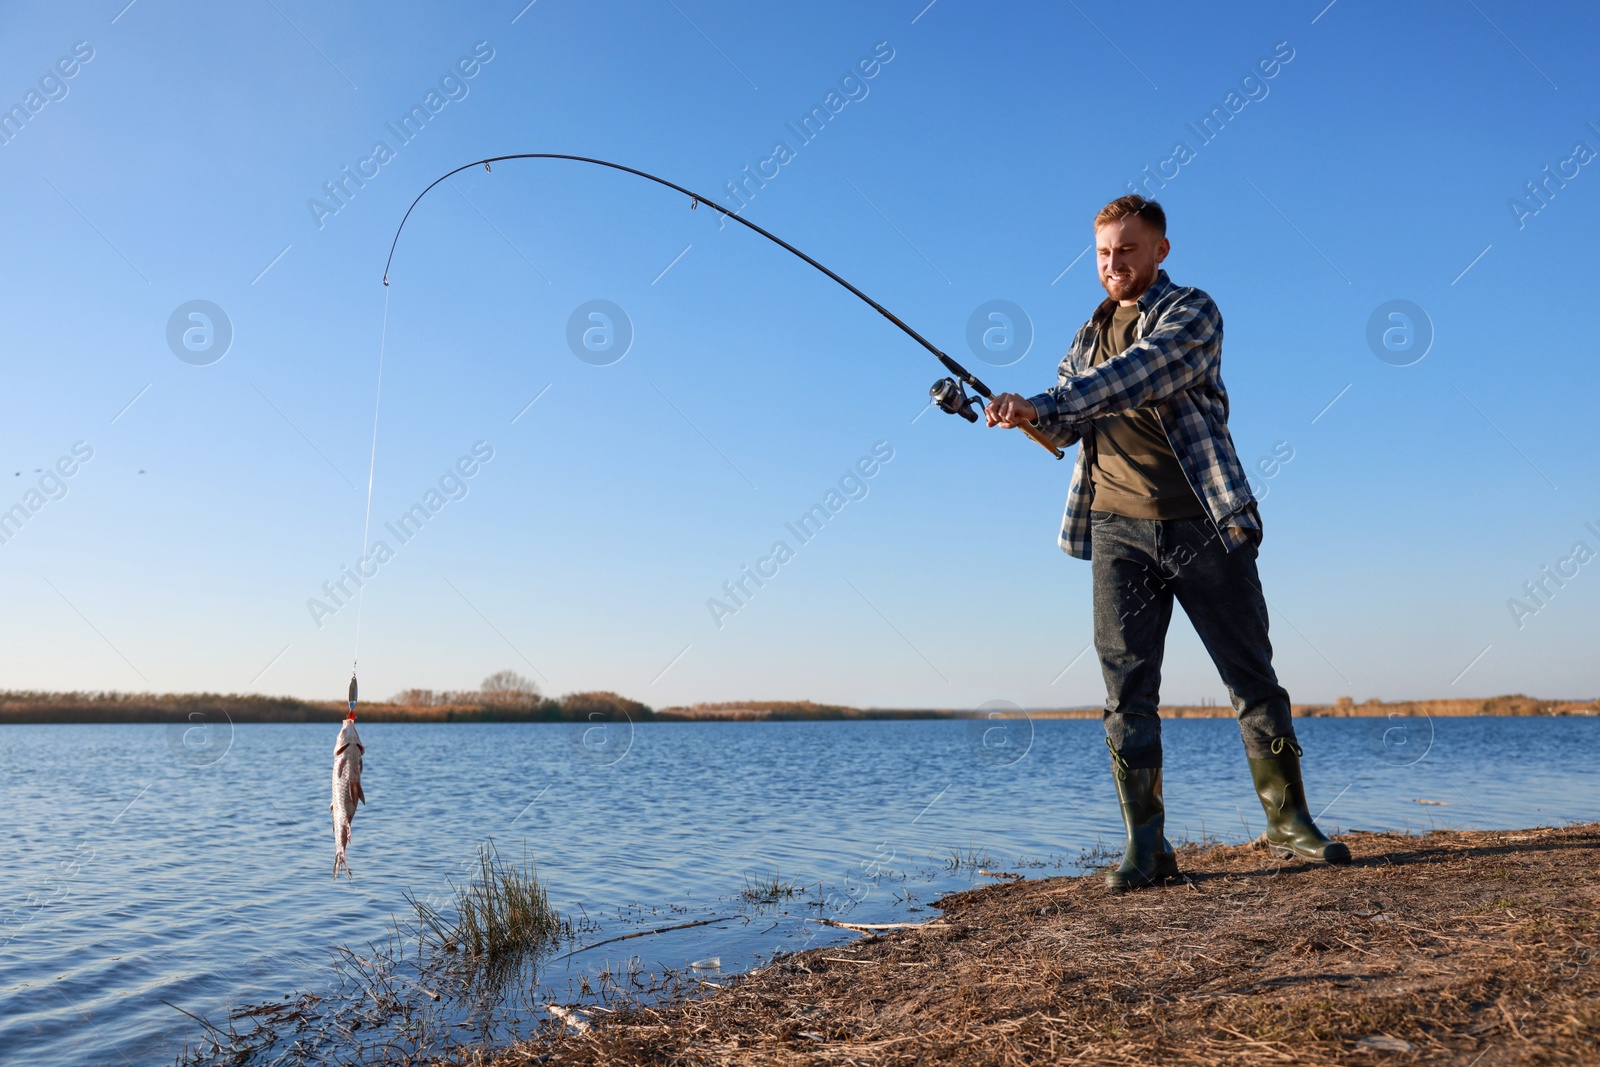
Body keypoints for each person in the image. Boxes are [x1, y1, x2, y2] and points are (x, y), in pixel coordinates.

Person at [984, 194, 1350, 892]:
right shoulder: (1084, 339)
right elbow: (1063, 428)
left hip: (1204, 521)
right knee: (1127, 690)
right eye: (1101, 253)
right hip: (1118, 529)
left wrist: (1051, 401)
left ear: (1160, 250)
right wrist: (1021, 413)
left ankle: (1288, 822)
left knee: (1250, 676)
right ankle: (1147, 846)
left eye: (1126, 249)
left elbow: (1141, 374)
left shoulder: (1193, 312)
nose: (1112, 264)